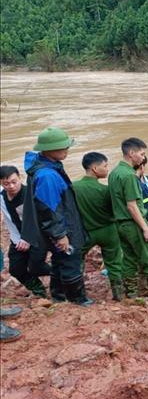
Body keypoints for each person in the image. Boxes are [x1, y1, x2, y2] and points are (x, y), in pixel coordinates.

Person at [21, 127, 93, 306]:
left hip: (61, 226)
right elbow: (49, 210)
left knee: (59, 261)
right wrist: (60, 235)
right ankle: (78, 300)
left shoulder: (48, 166)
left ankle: (59, 297)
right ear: (51, 150)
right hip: (63, 229)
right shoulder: (47, 176)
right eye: (64, 147)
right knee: (70, 262)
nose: (67, 150)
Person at [108, 137, 148, 298]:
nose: (143, 157)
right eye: (141, 153)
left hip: (121, 225)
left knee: (129, 260)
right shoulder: (129, 176)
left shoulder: (114, 173)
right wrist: (146, 229)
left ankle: (131, 293)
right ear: (131, 153)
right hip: (134, 224)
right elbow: (132, 205)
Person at [72, 152, 124, 301]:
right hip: (108, 231)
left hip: (85, 232)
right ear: (95, 168)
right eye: (105, 165)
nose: (107, 169)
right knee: (114, 263)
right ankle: (118, 295)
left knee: (78, 261)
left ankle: (79, 294)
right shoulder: (105, 190)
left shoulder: (74, 187)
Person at [0, 165, 50, 297]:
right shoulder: (1, 196)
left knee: (36, 268)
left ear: (20, 178)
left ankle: (62, 273)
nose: (11, 186)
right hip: (17, 238)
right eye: (6, 184)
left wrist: (28, 238)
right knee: (15, 269)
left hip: (36, 236)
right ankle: (38, 289)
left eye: (14, 182)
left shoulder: (30, 195)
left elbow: (37, 220)